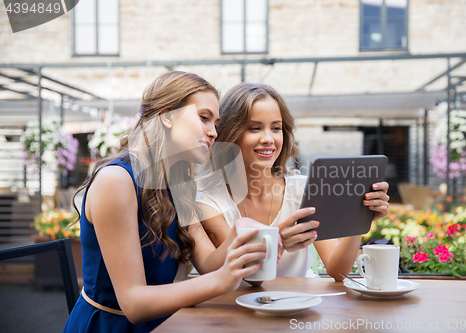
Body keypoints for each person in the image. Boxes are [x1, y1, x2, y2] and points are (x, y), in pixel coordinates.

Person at [63, 72, 268, 333]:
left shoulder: (178, 185)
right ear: (167, 115)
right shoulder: (117, 181)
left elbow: (209, 264)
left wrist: (242, 235)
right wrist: (221, 280)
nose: (214, 132)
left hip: (164, 325)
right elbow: (134, 304)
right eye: (204, 118)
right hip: (110, 326)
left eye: (215, 122)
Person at [196, 83, 390, 282]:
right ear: (230, 134)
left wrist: (357, 218)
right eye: (255, 128)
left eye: (276, 128)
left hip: (302, 304)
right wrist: (277, 241)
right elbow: (244, 280)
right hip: (241, 307)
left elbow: (337, 270)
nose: (268, 139)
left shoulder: (303, 190)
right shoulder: (209, 202)